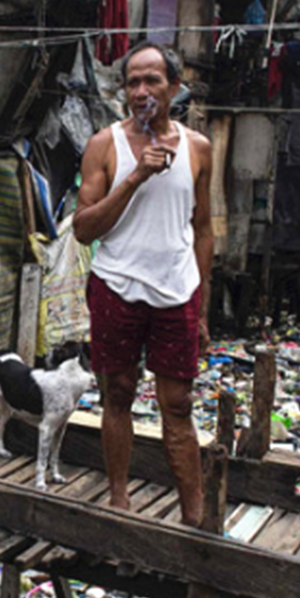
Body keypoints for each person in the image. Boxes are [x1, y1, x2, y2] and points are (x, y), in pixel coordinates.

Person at [74, 42, 213, 523]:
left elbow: (203, 229)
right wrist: (133, 178)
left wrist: (204, 308)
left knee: (178, 403)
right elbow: (83, 228)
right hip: (116, 284)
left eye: (152, 80)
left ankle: (194, 517)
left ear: (174, 88)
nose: (141, 91)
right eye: (132, 82)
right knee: (119, 392)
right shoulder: (103, 145)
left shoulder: (198, 148)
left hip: (176, 289)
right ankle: (119, 500)